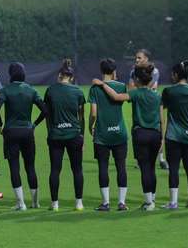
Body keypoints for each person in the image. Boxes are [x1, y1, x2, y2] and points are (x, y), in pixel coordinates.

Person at [97, 64, 161, 210]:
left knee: (144, 168)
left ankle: (148, 202)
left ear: (137, 79)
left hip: (141, 134)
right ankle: (153, 199)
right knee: (152, 168)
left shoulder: (136, 93)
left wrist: (102, 85)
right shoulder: (157, 95)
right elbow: (161, 118)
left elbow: (116, 97)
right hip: (156, 134)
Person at [0, 62, 47, 211]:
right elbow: (45, 110)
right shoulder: (31, 90)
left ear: (11, 74)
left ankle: (21, 203)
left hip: (11, 132)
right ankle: (35, 203)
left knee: (14, 168)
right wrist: (34, 125)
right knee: (30, 167)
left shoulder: (5, 90)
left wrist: (1, 124)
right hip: (27, 132)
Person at [44, 58, 85, 211]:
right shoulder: (77, 91)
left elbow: (47, 114)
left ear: (60, 75)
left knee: (55, 169)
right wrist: (82, 136)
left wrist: (50, 132)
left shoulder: (51, 90)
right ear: (72, 77)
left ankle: (54, 204)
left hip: (56, 135)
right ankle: (79, 202)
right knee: (77, 169)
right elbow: (81, 116)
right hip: (74, 134)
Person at [88, 59, 129, 212]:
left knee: (103, 167)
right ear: (114, 71)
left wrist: (90, 126)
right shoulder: (121, 86)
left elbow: (93, 113)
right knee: (121, 167)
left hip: (102, 134)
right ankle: (121, 202)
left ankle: (105, 203)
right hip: (119, 133)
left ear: (101, 70)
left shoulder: (94, 89)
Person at [161, 60, 188, 209]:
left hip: (174, 135)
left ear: (176, 75)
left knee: (174, 168)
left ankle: (173, 202)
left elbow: (163, 108)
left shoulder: (169, 91)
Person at [127, 49, 166, 170]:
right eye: (136, 58)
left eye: (139, 58)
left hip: (151, 101)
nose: (136, 60)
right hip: (141, 99)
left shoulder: (154, 71)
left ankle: (161, 158)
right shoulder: (133, 71)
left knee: (157, 125)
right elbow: (130, 87)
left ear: (146, 59)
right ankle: (141, 159)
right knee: (138, 124)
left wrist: (138, 87)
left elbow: (152, 86)